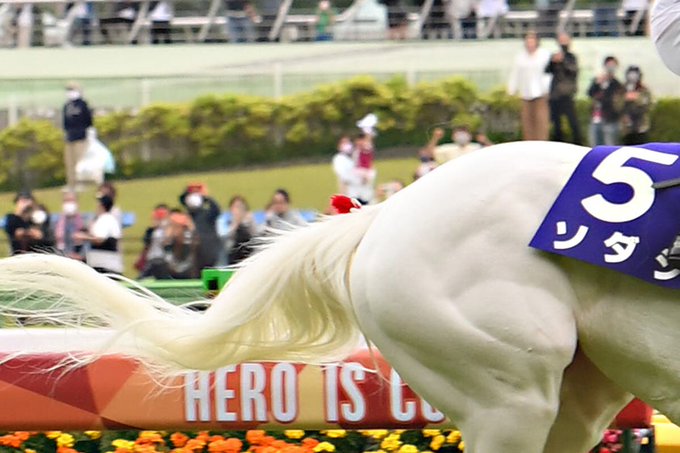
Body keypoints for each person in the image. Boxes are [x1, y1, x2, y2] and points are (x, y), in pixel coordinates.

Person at [507, 31, 551, 141]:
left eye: (532, 41)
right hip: (525, 94)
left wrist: (548, 89)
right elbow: (515, 74)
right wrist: (512, 90)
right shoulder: (520, 57)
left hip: (541, 93)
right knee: (527, 122)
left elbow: (549, 74)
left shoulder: (545, 54)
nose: (530, 43)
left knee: (541, 122)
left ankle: (542, 143)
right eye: (528, 41)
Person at [545, 32, 582, 145]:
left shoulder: (571, 57)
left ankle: (578, 143)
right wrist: (553, 61)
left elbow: (573, 71)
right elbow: (547, 70)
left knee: (573, 122)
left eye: (565, 40)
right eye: (561, 40)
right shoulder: (555, 56)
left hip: (567, 94)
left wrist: (563, 61)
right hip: (555, 95)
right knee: (556, 123)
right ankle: (558, 144)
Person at [74, 195, 123, 274]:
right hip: (101, 263)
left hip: (106, 265)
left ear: (101, 206)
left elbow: (99, 240)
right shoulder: (103, 219)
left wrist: (83, 237)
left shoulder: (106, 219)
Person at [179, 183, 222, 271]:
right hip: (191, 259)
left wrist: (206, 198)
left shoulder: (207, 214)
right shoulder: (184, 217)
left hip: (209, 253)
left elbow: (217, 210)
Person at [587, 56, 625, 146]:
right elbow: (590, 93)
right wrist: (596, 84)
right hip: (596, 119)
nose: (610, 68)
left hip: (610, 121)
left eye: (613, 65)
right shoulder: (598, 80)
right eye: (609, 65)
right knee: (595, 147)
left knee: (609, 147)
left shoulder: (617, 85)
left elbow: (615, 102)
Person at [62, 82, 93, 192]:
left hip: (81, 138)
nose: (70, 92)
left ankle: (81, 183)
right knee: (69, 162)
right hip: (69, 138)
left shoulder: (83, 105)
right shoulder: (67, 106)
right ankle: (71, 184)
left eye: (72, 90)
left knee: (80, 162)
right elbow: (65, 122)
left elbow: (88, 121)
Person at [136, 204, 171, 279]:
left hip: (164, 261)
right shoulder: (151, 231)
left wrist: (166, 227)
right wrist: (154, 227)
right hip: (151, 260)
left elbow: (167, 243)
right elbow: (146, 243)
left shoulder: (171, 229)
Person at [621, 65, 652, 146]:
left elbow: (648, 105)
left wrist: (637, 99)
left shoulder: (643, 89)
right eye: (630, 74)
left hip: (640, 126)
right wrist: (625, 98)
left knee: (641, 147)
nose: (632, 77)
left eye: (635, 74)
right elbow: (616, 106)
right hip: (626, 128)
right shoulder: (622, 89)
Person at [224, 195, 257, 265]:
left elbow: (255, 236)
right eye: (236, 207)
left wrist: (250, 222)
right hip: (230, 255)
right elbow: (225, 240)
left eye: (240, 207)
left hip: (248, 256)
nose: (238, 210)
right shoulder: (226, 220)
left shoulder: (249, 222)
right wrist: (235, 223)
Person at [54, 191, 85, 259]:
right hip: (62, 256)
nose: (68, 204)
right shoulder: (57, 221)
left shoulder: (84, 220)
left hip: (79, 257)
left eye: (71, 200)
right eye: (66, 201)